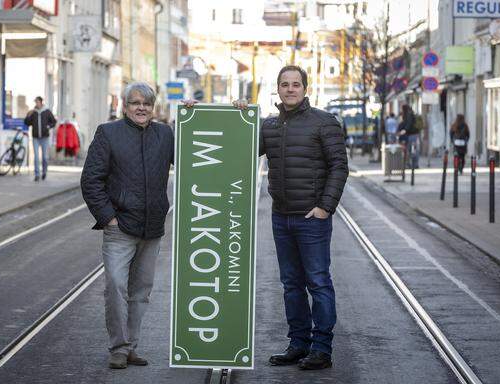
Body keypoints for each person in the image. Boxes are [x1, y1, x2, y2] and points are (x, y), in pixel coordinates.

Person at [195, 65, 347, 370]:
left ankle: (321, 349)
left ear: (306, 89)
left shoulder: (324, 122)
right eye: (284, 84)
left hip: (311, 218)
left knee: (317, 282)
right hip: (282, 216)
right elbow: (237, 147)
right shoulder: (270, 126)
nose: (290, 89)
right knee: (291, 284)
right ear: (277, 89)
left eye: (295, 84)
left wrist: (324, 208)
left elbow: (339, 167)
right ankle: (298, 343)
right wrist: (228, 116)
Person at [80, 82, 174, 369]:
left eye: (146, 103)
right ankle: (119, 348)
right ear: (125, 106)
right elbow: (90, 180)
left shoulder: (165, 134)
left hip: (152, 227)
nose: (141, 108)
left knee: (141, 291)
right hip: (119, 227)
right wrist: (108, 217)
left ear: (153, 107)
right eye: (135, 103)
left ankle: (131, 346)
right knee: (116, 286)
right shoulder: (108, 133)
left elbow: (197, 156)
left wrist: (197, 117)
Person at [24, 96, 56, 181]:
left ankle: (44, 171)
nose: (36, 103)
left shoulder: (47, 111)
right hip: (35, 138)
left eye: (37, 102)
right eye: (35, 102)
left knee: (45, 157)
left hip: (45, 137)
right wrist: (28, 115)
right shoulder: (33, 112)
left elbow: (53, 122)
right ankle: (37, 174)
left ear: (41, 102)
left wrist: (48, 126)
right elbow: (27, 123)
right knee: (36, 157)